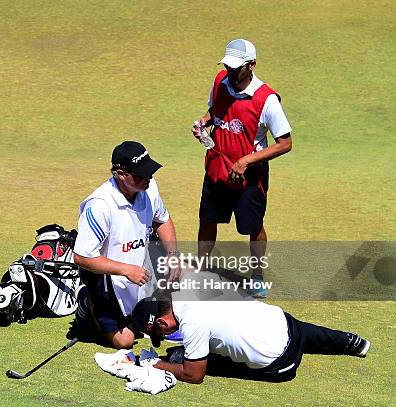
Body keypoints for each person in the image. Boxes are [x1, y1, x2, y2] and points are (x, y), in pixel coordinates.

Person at [192, 39, 292, 298]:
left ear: (252, 65)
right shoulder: (220, 81)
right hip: (217, 167)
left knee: (253, 226)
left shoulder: (266, 99)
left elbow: (285, 143)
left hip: (250, 178)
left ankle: (257, 274)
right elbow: (215, 111)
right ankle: (201, 269)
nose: (230, 71)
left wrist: (247, 160)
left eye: (236, 67)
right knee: (207, 220)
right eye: (227, 65)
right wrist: (203, 122)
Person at [73, 141, 179, 349]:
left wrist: (173, 255)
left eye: (149, 172)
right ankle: (88, 301)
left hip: (140, 265)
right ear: (121, 174)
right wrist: (126, 269)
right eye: (141, 175)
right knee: (126, 340)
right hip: (107, 278)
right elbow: (82, 257)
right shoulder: (100, 206)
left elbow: (162, 220)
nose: (148, 178)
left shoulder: (149, 187)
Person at [130, 294, 371, 384]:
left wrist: (158, 364)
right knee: (282, 325)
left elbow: (195, 376)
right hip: (288, 325)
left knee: (195, 362)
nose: (163, 336)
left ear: (161, 323)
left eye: (159, 333)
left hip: (281, 366)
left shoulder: (192, 322)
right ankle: (353, 343)